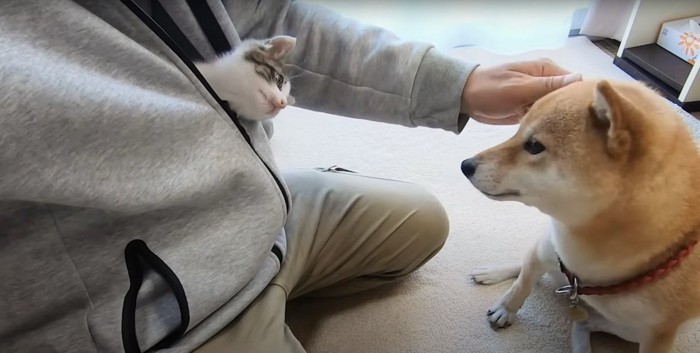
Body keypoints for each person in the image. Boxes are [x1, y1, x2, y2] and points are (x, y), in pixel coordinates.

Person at [0, 1, 581, 352]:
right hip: (144, 310)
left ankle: (270, 261)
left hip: (256, 215)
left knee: (423, 222)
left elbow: (263, 20)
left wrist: (456, 83)